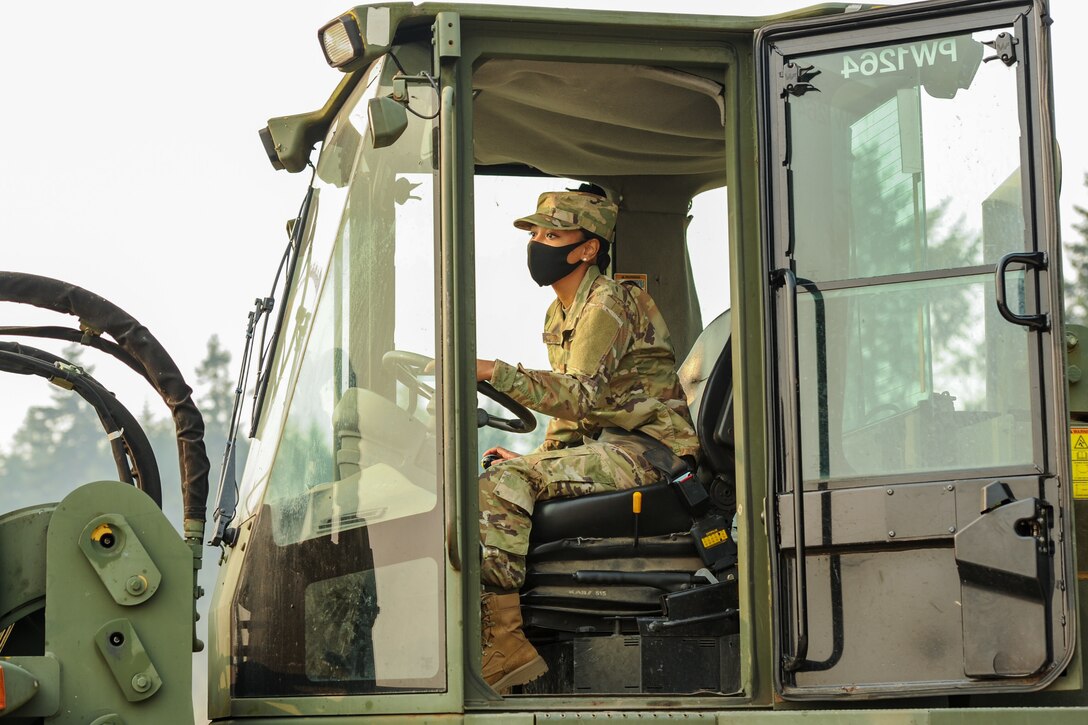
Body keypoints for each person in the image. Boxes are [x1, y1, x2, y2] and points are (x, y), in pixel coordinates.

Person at [475, 186, 700, 691]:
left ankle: (504, 644)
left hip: (650, 454)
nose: (538, 243)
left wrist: (493, 371)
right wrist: (540, 460)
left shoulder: (607, 303)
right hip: (608, 446)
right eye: (535, 232)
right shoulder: (560, 314)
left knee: (496, 490)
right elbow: (573, 417)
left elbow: (576, 396)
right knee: (503, 476)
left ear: (588, 248)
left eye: (553, 234)